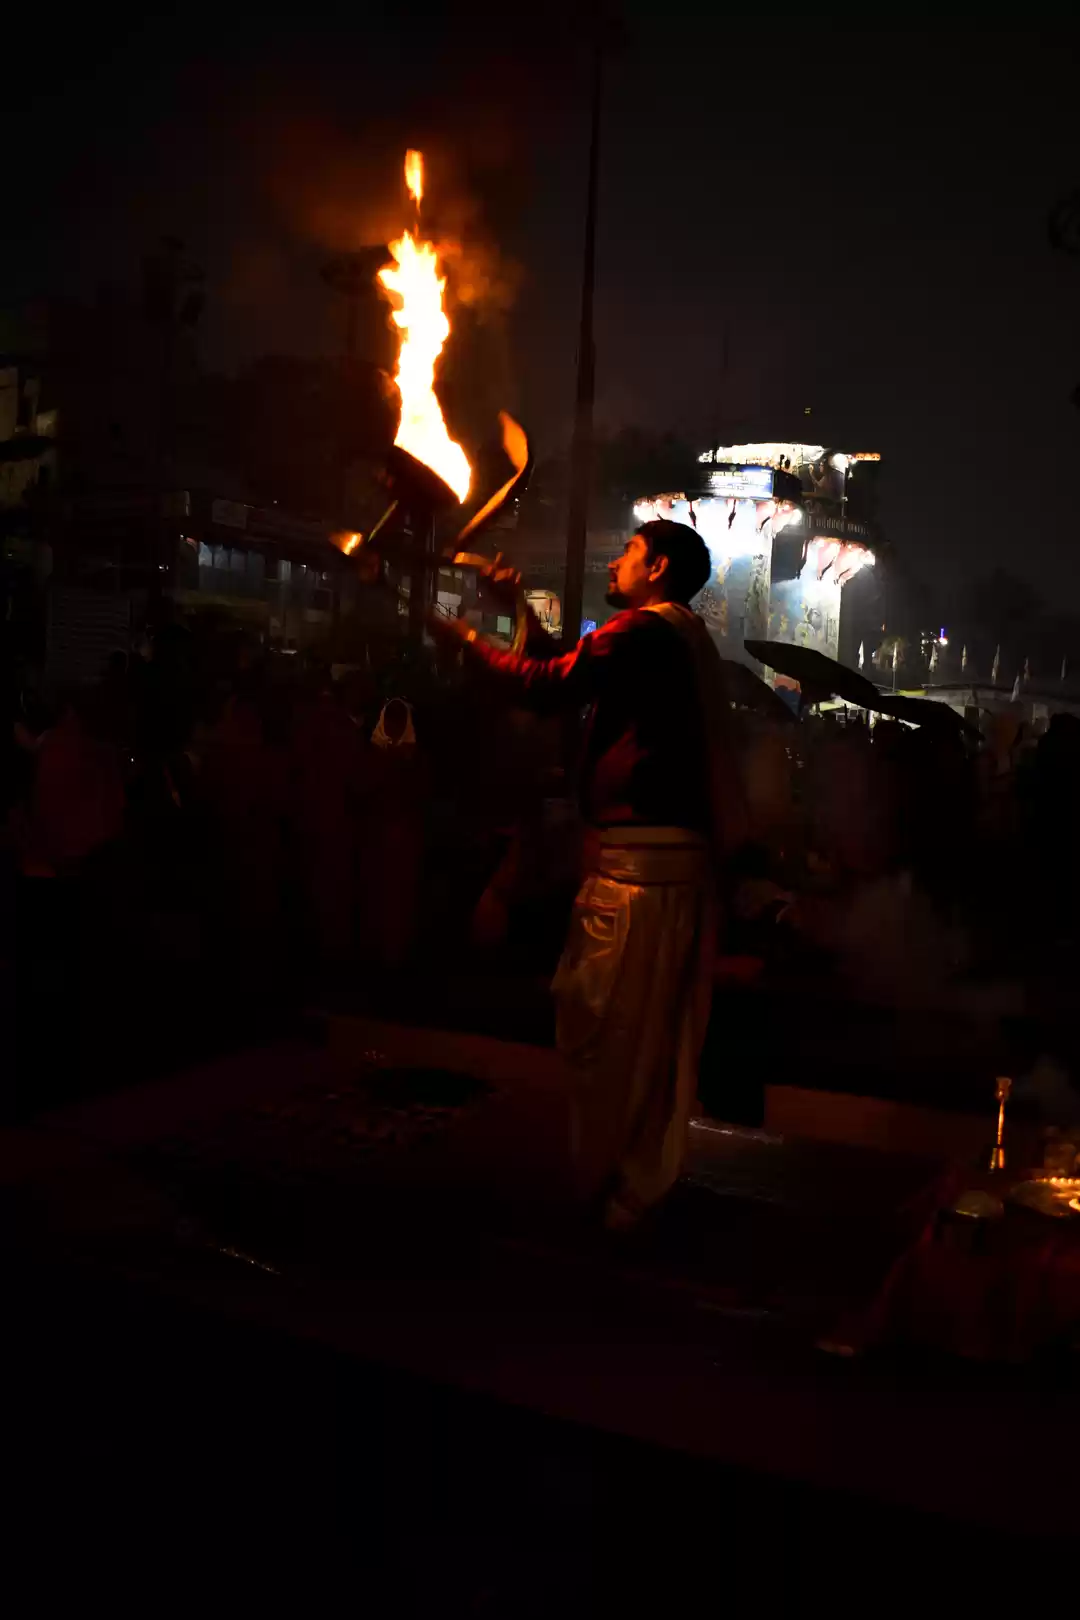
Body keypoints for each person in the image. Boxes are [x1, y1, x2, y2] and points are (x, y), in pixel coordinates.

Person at [430, 519, 744, 1229]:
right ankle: (629, 1191)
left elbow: (546, 687)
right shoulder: (672, 637)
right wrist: (515, 611)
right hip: (664, 874)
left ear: (657, 567)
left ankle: (607, 1194)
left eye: (628, 552)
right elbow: (571, 675)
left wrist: (464, 640)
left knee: (610, 1034)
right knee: (641, 1041)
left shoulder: (643, 632)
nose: (613, 560)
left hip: (641, 879)